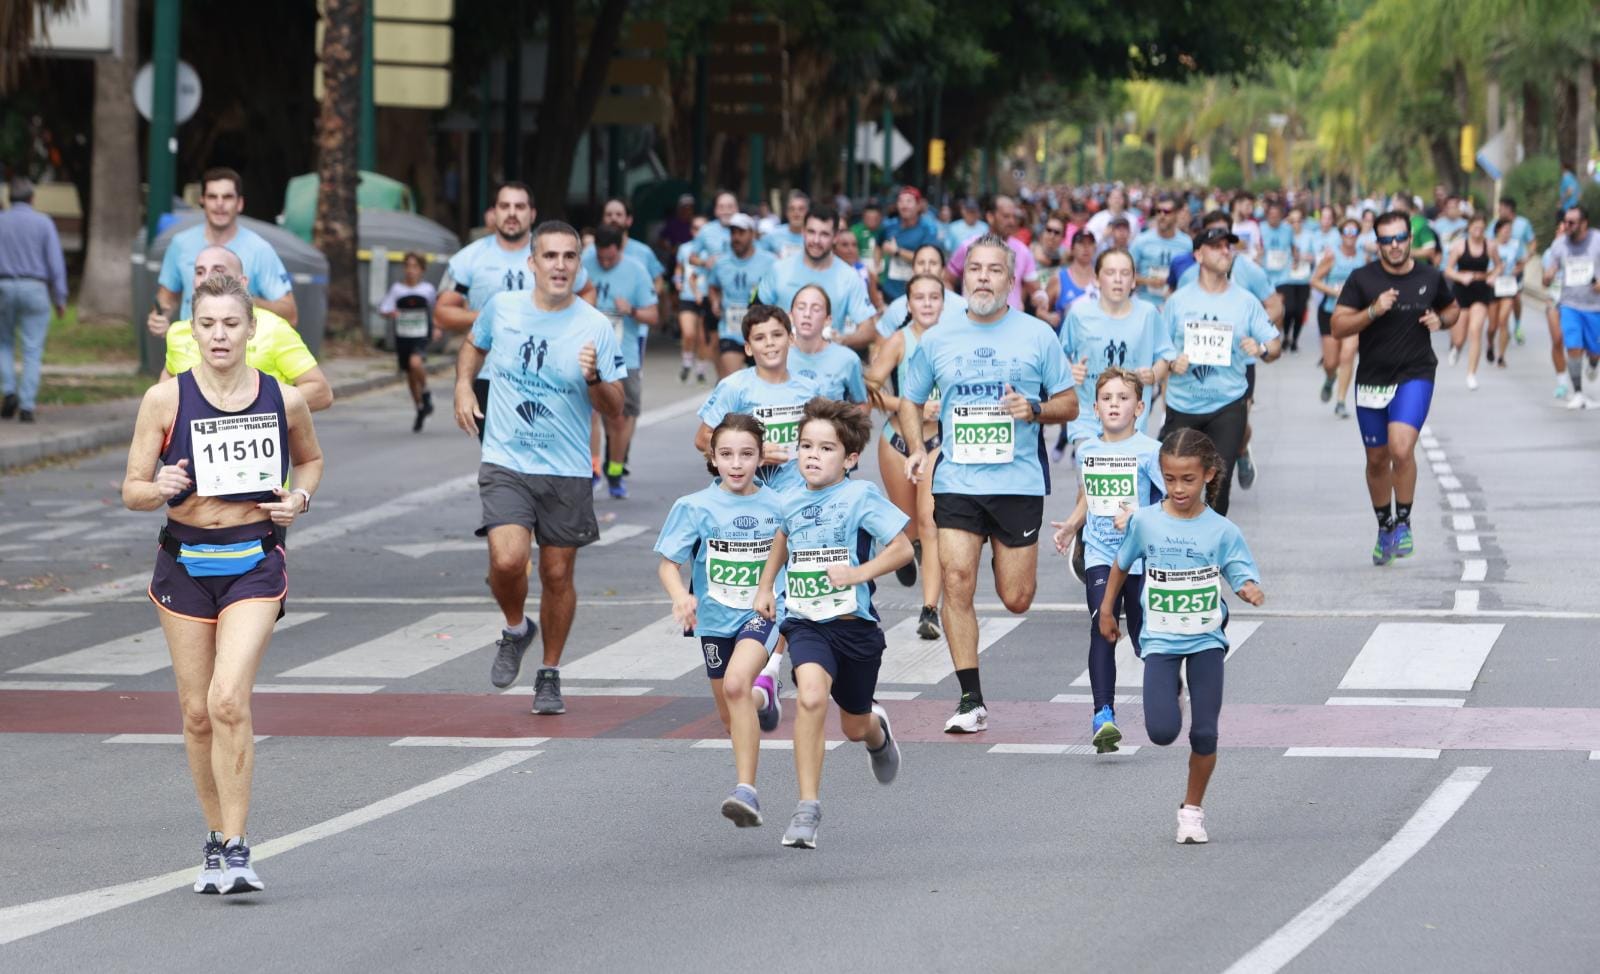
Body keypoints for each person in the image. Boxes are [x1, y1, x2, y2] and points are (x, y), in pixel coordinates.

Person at [122, 273, 324, 894]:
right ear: (191, 329)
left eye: (230, 324)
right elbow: (131, 490)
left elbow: (310, 460)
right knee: (196, 712)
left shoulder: (282, 399)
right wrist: (158, 488)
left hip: (253, 560)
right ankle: (214, 836)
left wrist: (300, 500)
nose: (218, 335)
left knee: (228, 698)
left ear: (251, 329)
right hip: (184, 562)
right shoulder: (165, 400)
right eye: (207, 324)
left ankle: (237, 849)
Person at [898, 234, 1077, 733]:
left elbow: (1070, 403)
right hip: (957, 479)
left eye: (994, 269)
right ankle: (969, 696)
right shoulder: (938, 338)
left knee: (1016, 598)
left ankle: (1000, 548)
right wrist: (916, 448)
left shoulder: (1038, 335)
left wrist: (1035, 408)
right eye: (974, 268)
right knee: (956, 580)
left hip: (1017, 483)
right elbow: (909, 399)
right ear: (964, 275)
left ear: (1011, 279)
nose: (982, 277)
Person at [453, 220, 627, 714]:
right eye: (549, 256)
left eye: (569, 257)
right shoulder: (503, 309)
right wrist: (465, 385)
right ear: (532, 263)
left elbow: (614, 407)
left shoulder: (594, 324)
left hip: (566, 466)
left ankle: (549, 671)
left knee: (555, 574)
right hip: (506, 457)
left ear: (579, 264)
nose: (559, 265)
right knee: (507, 560)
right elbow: (473, 344)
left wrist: (593, 377)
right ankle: (515, 627)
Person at [753, 397, 914, 849]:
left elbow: (902, 549)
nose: (812, 455)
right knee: (809, 697)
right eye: (806, 445)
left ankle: (877, 735)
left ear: (850, 458)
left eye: (826, 449)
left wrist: (858, 574)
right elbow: (782, 540)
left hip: (854, 626)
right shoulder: (789, 500)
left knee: (853, 725)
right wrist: (767, 587)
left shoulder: (860, 495)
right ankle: (807, 808)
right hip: (806, 622)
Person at [1097, 428, 1265, 845]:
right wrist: (1106, 609)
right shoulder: (1147, 522)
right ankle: (1172, 687)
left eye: (1187, 479)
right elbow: (1121, 564)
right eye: (1169, 479)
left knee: (1204, 732)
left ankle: (1192, 811)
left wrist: (1246, 587)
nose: (1178, 488)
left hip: (1206, 639)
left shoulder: (1222, 530)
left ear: (1208, 474)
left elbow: (1239, 568)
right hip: (1161, 641)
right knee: (1161, 732)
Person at [655, 413, 786, 827]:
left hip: (763, 613)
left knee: (735, 684)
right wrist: (681, 597)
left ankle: (746, 791)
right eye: (726, 454)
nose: (736, 464)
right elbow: (668, 565)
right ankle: (766, 699)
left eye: (746, 454)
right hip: (714, 621)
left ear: (761, 457)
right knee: (733, 714)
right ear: (712, 458)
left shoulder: (780, 506)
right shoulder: (693, 507)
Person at [1330, 210, 1459, 564]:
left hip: (1415, 373)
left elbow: (1452, 310)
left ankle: (1403, 523)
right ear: (1378, 244)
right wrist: (1371, 311)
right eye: (1387, 240)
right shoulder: (1362, 278)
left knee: (1401, 449)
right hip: (1372, 379)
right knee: (1376, 459)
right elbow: (1338, 326)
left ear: (1410, 240)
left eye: (1400, 238)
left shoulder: (1430, 277)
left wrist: (1441, 320)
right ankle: (1384, 526)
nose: (1395, 246)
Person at [1050, 368, 1164, 753]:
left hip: (1141, 559)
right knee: (1102, 625)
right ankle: (1103, 715)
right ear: (1095, 408)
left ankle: (1165, 687)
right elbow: (1088, 498)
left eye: (1123, 398)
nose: (1115, 404)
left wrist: (1139, 516)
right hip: (1101, 555)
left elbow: (1174, 502)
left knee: (1144, 640)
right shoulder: (1087, 451)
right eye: (1107, 399)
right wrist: (1070, 525)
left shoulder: (1151, 451)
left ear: (1140, 407)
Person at [436, 182, 592, 441]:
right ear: (493, 213)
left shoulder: (553, 255)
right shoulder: (469, 258)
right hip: (491, 376)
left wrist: (573, 329)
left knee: (544, 449)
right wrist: (489, 318)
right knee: (502, 455)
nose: (511, 213)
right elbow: (442, 313)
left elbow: (587, 291)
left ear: (532, 214)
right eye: (504, 206)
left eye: (519, 207)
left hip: (549, 373)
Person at [1160, 226, 1282, 517]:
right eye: (1216, 246)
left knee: (1219, 482)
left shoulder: (1245, 301)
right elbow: (1159, 349)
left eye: (1229, 246)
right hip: (1184, 403)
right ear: (1199, 255)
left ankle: (1211, 553)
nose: (1226, 251)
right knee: (1176, 480)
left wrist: (1262, 349)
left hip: (1227, 403)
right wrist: (1171, 361)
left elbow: (1275, 345)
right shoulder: (1179, 301)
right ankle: (1177, 543)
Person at [864, 273, 946, 638]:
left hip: (940, 442)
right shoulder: (900, 340)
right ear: (908, 304)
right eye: (920, 298)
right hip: (897, 441)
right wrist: (908, 405)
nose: (927, 304)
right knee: (910, 524)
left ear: (944, 303)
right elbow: (869, 386)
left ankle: (930, 610)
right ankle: (907, 547)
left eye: (934, 297)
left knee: (932, 524)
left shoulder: (953, 339)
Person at [161, 246, 332, 413]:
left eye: (218, 271)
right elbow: (162, 398)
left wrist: (252, 416)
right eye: (199, 272)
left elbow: (320, 392)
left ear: (242, 282)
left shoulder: (274, 328)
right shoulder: (177, 333)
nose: (207, 278)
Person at [695, 304, 822, 498]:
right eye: (759, 338)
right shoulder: (734, 387)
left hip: (800, 497)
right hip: (749, 496)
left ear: (791, 339)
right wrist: (755, 451)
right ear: (747, 347)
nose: (769, 343)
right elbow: (702, 438)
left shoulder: (810, 388)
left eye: (777, 335)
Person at [148, 168, 296, 333]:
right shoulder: (180, 244)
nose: (219, 204)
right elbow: (167, 297)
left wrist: (243, 299)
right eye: (212, 197)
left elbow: (291, 315)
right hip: (191, 350)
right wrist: (160, 316)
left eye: (227, 197)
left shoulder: (260, 249)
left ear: (240, 204)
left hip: (243, 352)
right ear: (202, 201)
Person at [583, 226, 659, 499]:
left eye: (610, 259)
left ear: (620, 250)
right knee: (589, 414)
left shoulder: (636, 270)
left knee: (618, 419)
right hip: (588, 352)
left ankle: (615, 470)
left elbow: (653, 315)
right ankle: (592, 470)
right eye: (600, 258)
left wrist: (632, 310)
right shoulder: (583, 263)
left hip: (623, 356)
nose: (604, 263)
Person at [756, 205, 877, 351]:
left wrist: (843, 340)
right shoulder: (779, 269)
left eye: (824, 234)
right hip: (781, 364)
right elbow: (754, 314)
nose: (816, 240)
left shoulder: (849, 277)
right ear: (803, 232)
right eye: (811, 232)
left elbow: (869, 330)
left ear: (835, 237)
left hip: (826, 365)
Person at [0, 177, 68, 423]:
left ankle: (8, 392)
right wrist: (59, 297)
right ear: (32, 198)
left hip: (4, 286)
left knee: (3, 343)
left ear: (10, 198)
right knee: (32, 348)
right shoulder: (43, 223)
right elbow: (55, 263)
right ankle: (27, 405)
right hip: (36, 288)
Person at [945, 195, 1048, 317]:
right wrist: (957, 308)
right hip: (973, 324)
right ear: (990, 217)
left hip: (1010, 327)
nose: (1011, 222)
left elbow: (1035, 289)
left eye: (1014, 217)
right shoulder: (969, 246)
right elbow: (946, 279)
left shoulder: (1023, 251)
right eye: (1006, 216)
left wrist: (1041, 297)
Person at [1540, 205, 1600, 409]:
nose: (1567, 226)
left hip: (1595, 306)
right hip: (1569, 304)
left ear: (1584, 223)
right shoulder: (1560, 244)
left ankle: (1593, 362)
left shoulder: (1597, 241)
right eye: (1565, 221)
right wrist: (1547, 276)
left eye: (1571, 222)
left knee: (1594, 350)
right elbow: (1551, 270)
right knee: (1572, 345)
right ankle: (1579, 393)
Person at [707, 213, 778, 378]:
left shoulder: (770, 262)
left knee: (762, 385)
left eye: (741, 233)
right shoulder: (721, 262)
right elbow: (713, 286)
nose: (736, 237)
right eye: (733, 233)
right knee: (733, 382)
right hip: (730, 331)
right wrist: (715, 301)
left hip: (760, 332)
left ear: (752, 234)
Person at [1309, 218, 1367, 417]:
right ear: (1341, 234)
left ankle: (1341, 401)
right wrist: (1334, 291)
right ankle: (1329, 379)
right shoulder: (1332, 256)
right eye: (1346, 232)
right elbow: (1314, 280)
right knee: (1331, 362)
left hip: (1354, 314)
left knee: (1348, 354)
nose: (1350, 236)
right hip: (1330, 312)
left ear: (1358, 235)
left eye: (1354, 232)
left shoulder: (1363, 258)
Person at [377, 251, 439, 431]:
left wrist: (436, 327)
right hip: (403, 335)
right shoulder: (397, 289)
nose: (411, 271)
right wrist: (391, 313)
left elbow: (436, 310)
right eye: (408, 266)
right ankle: (420, 407)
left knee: (416, 362)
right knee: (410, 375)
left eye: (415, 267)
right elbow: (384, 308)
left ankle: (426, 392)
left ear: (422, 270)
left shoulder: (427, 290)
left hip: (421, 334)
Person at [1442, 213, 1499, 389]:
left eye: (1482, 228)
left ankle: (1471, 374)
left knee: (1476, 330)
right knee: (1459, 337)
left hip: (1481, 290)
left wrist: (1493, 276)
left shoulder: (1489, 246)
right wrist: (1460, 276)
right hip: (1462, 290)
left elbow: (1499, 265)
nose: (1478, 231)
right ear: (1469, 228)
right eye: (1475, 228)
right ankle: (1456, 348)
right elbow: (1448, 270)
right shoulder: (1459, 246)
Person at [787, 284, 868, 405]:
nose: (807, 314)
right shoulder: (777, 357)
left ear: (828, 320)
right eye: (801, 307)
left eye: (816, 309)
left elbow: (862, 404)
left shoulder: (847, 359)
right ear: (791, 316)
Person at [873, 243, 968, 341]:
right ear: (913, 269)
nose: (926, 268)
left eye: (933, 263)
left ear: (943, 271)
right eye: (921, 263)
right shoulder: (896, 308)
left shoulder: (962, 306)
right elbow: (879, 345)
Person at [878, 187, 943, 303]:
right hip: (889, 290)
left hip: (917, 292)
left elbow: (928, 258)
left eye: (909, 201)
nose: (904, 205)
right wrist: (878, 269)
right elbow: (878, 246)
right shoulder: (889, 226)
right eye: (901, 201)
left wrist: (898, 252)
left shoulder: (927, 229)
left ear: (918, 205)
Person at [1130, 195, 1194, 306]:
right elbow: (1126, 272)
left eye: (1167, 212)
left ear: (1176, 214)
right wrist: (1147, 281)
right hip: (1145, 303)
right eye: (1158, 211)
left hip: (1176, 304)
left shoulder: (1187, 242)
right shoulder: (1141, 240)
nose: (1161, 215)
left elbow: (1192, 276)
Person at [675, 214, 713, 384]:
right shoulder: (684, 248)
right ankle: (687, 363)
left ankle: (701, 371)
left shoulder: (712, 250)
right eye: (696, 228)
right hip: (688, 296)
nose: (700, 232)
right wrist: (677, 281)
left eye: (703, 229)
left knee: (703, 338)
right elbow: (679, 268)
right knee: (688, 333)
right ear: (692, 230)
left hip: (707, 296)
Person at [1487, 217, 1528, 368]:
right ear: (1498, 231)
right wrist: (1494, 272)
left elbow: (1521, 263)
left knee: (1503, 321)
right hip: (1492, 286)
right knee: (1492, 326)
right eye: (1506, 230)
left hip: (1508, 286)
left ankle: (1501, 357)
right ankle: (1490, 344)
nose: (1508, 234)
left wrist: (1516, 270)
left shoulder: (1515, 245)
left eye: (1510, 231)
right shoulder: (1490, 246)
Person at [1043, 229, 1098, 331]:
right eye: (1081, 243)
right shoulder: (1059, 278)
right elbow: (1040, 311)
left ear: (1095, 248)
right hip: (1065, 343)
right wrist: (1049, 317)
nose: (1086, 248)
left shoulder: (1102, 279)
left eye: (1090, 243)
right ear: (1072, 249)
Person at [761, 190, 809, 260]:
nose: (796, 213)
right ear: (787, 212)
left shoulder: (814, 237)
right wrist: (772, 258)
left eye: (801, 209)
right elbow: (757, 254)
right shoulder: (773, 234)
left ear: (808, 213)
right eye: (792, 209)